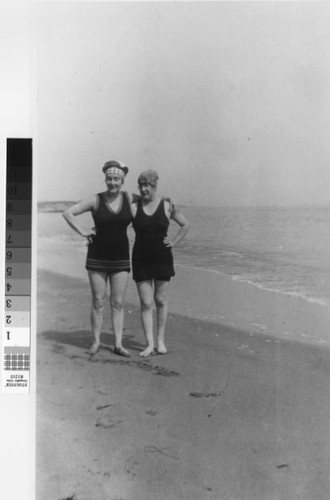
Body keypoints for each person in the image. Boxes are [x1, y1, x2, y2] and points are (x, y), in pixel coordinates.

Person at [62, 160, 134, 358]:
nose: (113, 182)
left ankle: (118, 344)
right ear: (105, 179)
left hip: (120, 257)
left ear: (122, 180)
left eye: (117, 179)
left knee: (118, 302)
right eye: (110, 178)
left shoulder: (129, 197)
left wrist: (167, 202)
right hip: (97, 257)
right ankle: (96, 341)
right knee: (98, 301)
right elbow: (68, 213)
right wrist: (83, 232)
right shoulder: (95, 200)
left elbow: (149, 202)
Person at [131, 170, 190, 357]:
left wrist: (173, 242)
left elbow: (186, 225)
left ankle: (160, 340)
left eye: (146, 185)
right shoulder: (134, 205)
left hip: (162, 258)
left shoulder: (166, 206)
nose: (143, 189)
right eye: (140, 185)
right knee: (146, 303)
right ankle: (149, 344)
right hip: (140, 258)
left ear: (154, 185)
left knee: (161, 300)